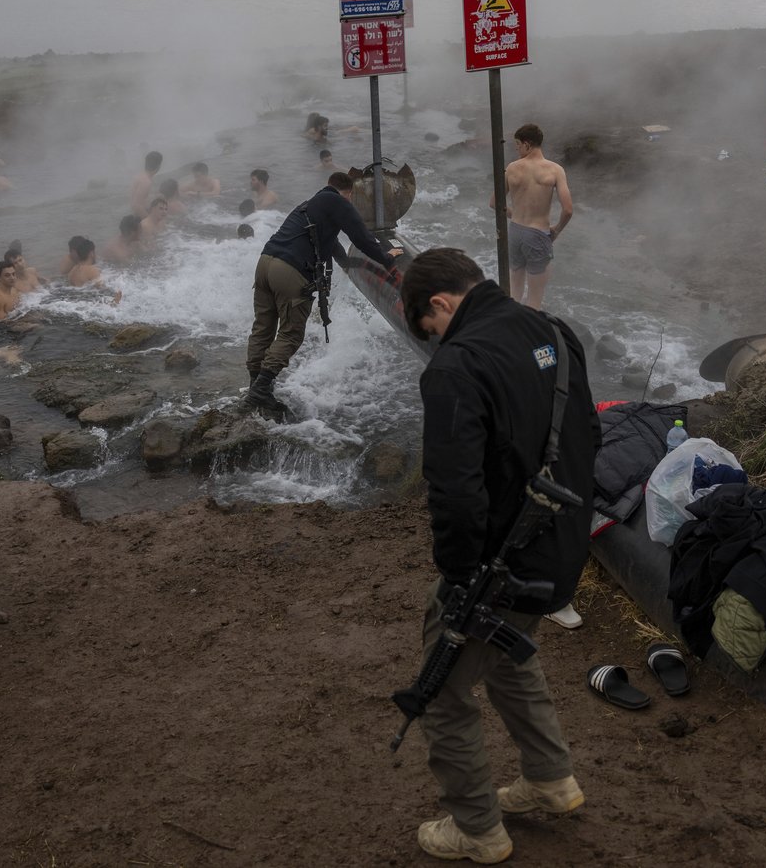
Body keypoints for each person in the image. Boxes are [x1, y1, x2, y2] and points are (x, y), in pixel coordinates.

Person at [397, 247, 596, 864]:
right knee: (511, 655)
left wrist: (459, 580)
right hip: (559, 548)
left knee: (444, 694)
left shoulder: (457, 367)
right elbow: (588, 433)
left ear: (440, 303)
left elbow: (455, 493)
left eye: (430, 329)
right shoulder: (553, 331)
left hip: (497, 568)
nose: (435, 341)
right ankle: (549, 780)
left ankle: (477, 829)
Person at [243, 172, 403, 410]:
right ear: (348, 193)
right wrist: (385, 258)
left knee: (263, 327)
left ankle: (255, 386)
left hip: (265, 263)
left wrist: (347, 265)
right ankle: (261, 390)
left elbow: (332, 244)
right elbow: (360, 235)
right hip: (290, 271)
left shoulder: (309, 204)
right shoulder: (337, 201)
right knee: (290, 334)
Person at [493, 123, 573, 310]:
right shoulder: (555, 170)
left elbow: (494, 203)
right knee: (534, 299)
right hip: (538, 234)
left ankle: (510, 327)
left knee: (514, 292)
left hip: (515, 232)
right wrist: (556, 231)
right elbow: (568, 210)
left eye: (518, 146)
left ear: (527, 144)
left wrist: (515, 214)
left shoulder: (511, 168)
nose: (517, 150)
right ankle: (528, 334)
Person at [64, 236, 122, 305]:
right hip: (89, 303)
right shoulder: (91, 270)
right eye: (95, 252)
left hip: (76, 301)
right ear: (91, 253)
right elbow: (101, 289)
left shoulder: (72, 270)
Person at [130, 150, 163, 217]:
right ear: (158, 166)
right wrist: (150, 221)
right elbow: (136, 205)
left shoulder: (140, 176)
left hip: (138, 214)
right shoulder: (146, 182)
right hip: (140, 216)